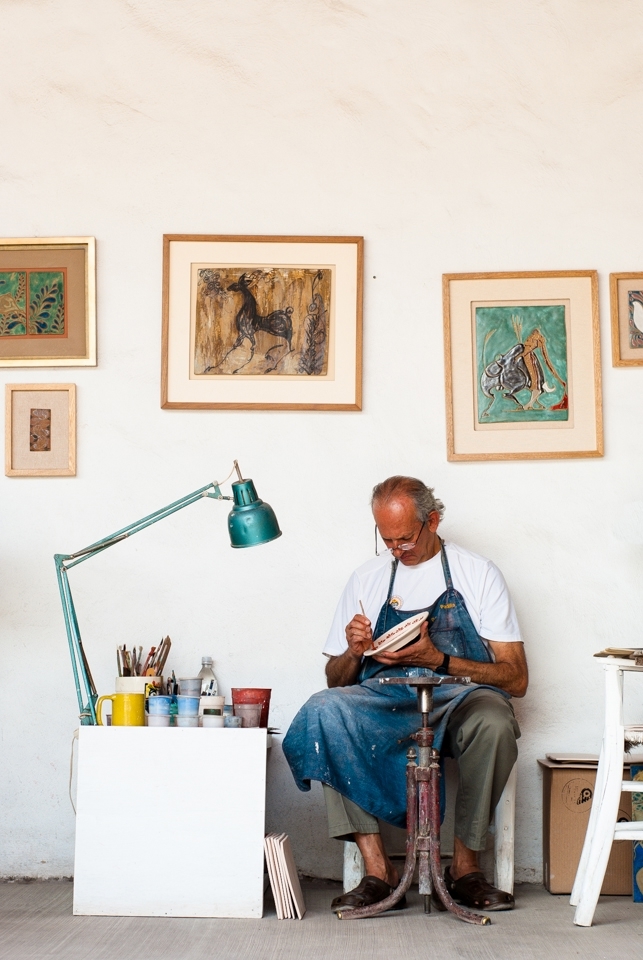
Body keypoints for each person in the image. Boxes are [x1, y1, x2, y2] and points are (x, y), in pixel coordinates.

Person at [283, 476, 528, 914]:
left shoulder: (477, 573)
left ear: (432, 521)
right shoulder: (368, 577)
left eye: (405, 539)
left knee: (494, 720)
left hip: (457, 699)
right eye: (387, 540)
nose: (397, 550)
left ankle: (465, 868)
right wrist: (353, 651)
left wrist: (441, 660)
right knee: (325, 712)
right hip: (386, 701)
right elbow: (336, 680)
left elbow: (516, 678)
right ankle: (379, 871)